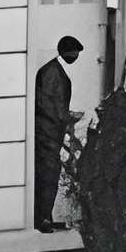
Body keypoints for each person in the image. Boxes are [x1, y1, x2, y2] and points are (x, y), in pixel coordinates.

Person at [34, 34, 85, 232]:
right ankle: (43, 218)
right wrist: (67, 116)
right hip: (47, 134)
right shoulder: (52, 72)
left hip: (49, 132)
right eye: (76, 53)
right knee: (47, 175)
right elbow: (48, 105)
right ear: (68, 52)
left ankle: (44, 216)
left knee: (48, 175)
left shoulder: (52, 70)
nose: (76, 56)